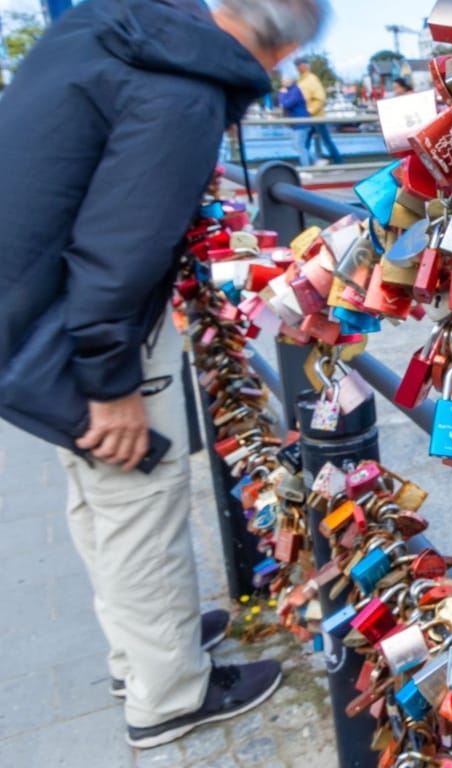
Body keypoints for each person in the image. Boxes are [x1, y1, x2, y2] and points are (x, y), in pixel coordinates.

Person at [0, 0, 327, 749]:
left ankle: (147, 648)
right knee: (137, 497)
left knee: (98, 497)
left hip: (29, 305)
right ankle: (169, 694)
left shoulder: (113, 25)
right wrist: (110, 381)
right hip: (74, 324)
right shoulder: (182, 87)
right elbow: (121, 247)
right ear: (279, 48)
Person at [296, 56, 343, 165]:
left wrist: (310, 111)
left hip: (316, 117)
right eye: (297, 65)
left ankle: (339, 163)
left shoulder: (311, 79)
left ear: (305, 65)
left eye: (300, 64)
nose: (299, 67)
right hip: (307, 118)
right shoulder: (300, 81)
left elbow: (320, 98)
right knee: (304, 143)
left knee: (325, 141)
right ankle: (305, 165)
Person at [280, 76, 314, 166]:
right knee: (297, 145)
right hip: (297, 123)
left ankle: (307, 168)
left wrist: (282, 94)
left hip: (301, 122)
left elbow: (287, 104)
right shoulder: (291, 90)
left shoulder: (295, 90)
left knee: (299, 145)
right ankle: (316, 161)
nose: (282, 81)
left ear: (291, 80)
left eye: (284, 79)